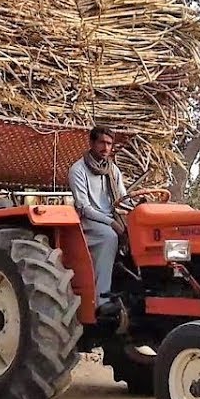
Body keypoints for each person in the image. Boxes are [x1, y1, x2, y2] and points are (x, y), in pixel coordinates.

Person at [68, 124, 127, 319]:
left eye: (109, 144)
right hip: (89, 221)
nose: (106, 147)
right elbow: (84, 207)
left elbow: (123, 199)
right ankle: (102, 300)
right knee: (109, 237)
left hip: (112, 217)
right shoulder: (78, 170)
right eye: (102, 142)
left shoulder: (113, 170)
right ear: (92, 143)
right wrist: (111, 223)